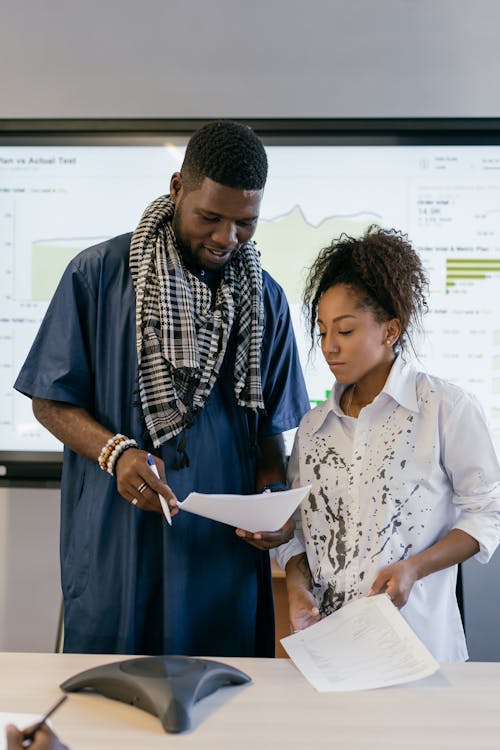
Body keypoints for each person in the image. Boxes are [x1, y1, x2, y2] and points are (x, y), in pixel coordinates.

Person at [15, 121, 310, 657]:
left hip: (219, 558)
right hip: (118, 547)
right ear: (177, 188)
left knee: (225, 717)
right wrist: (115, 452)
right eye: (210, 217)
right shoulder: (96, 276)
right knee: (106, 716)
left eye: (246, 223)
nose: (227, 238)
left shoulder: (266, 299)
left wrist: (271, 506)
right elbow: (50, 398)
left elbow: (270, 432)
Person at [276, 226, 500, 661]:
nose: (329, 347)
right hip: (329, 653)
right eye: (322, 332)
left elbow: (488, 513)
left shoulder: (446, 409)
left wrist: (414, 568)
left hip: (419, 649)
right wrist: (298, 589)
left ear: (391, 330)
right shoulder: (312, 428)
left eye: (344, 330)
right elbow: (299, 533)